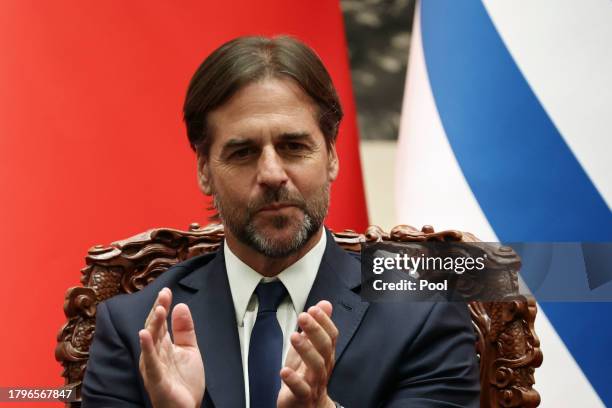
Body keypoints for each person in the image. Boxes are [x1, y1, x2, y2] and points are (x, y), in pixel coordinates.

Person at [82, 35, 480, 408]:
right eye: (243, 152)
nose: (272, 173)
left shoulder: (424, 313)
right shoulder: (134, 330)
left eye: (293, 146)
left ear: (332, 156)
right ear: (204, 169)